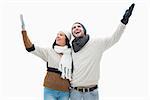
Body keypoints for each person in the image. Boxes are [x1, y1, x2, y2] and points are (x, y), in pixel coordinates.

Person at [70, 3, 135, 100]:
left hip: (91, 92)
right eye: (73, 28)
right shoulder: (70, 49)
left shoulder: (96, 43)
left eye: (78, 26)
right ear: (73, 34)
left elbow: (114, 38)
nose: (76, 28)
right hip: (74, 92)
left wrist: (123, 22)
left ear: (84, 30)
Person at [21, 28, 72, 100]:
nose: (57, 36)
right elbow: (30, 48)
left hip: (65, 91)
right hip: (50, 90)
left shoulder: (71, 54)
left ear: (66, 39)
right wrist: (24, 32)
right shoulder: (49, 52)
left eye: (61, 35)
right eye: (57, 35)